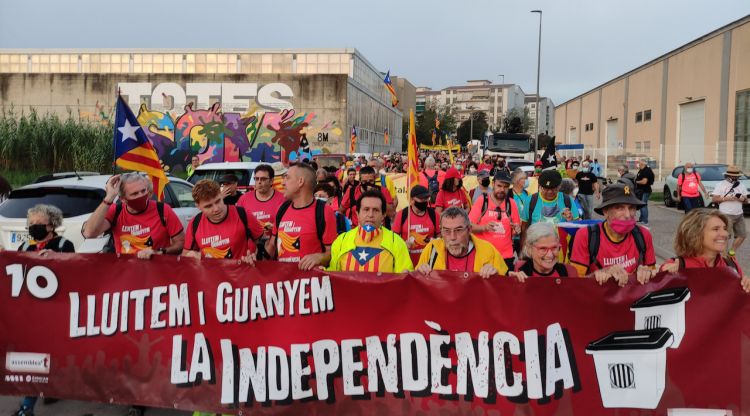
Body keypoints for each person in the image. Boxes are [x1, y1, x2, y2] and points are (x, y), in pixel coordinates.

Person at [12, 204, 73, 416]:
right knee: (37, 359)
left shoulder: (64, 245)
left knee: (50, 356)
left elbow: (77, 273)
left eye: (39, 224)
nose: (34, 228)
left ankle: (40, 393)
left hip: (56, 312)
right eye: (31, 224)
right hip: (32, 314)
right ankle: (28, 405)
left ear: (52, 225)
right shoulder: (24, 248)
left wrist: (58, 260)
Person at [569, 182, 656, 285]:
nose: (628, 215)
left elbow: (653, 277)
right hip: (599, 298)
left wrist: (647, 272)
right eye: (620, 208)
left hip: (634, 298)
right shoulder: (586, 236)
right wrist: (599, 273)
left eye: (632, 208)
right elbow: (575, 283)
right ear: (605, 211)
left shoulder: (643, 235)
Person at [82, 172, 185, 258]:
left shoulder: (162, 209)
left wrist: (159, 252)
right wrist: (109, 198)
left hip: (157, 273)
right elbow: (89, 233)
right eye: (135, 194)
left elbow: (180, 243)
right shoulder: (116, 211)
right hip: (127, 274)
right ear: (123, 199)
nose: (141, 196)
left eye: (143, 191)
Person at [660, 209, 750, 293]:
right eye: (716, 229)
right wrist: (664, 276)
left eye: (725, 229)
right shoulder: (677, 266)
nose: (725, 234)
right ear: (695, 233)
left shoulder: (731, 265)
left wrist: (746, 287)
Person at [268, 163, 338, 270]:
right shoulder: (282, 209)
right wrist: (255, 255)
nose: (282, 183)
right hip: (284, 283)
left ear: (300, 181)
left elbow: (333, 253)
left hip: (310, 284)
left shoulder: (324, 211)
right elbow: (271, 247)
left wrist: (320, 257)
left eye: (287, 177)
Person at [328, 189, 413, 272]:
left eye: (376, 210)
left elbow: (404, 278)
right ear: (357, 214)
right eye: (366, 209)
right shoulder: (341, 241)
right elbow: (331, 276)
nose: (370, 215)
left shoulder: (396, 242)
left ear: (383, 215)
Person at [182, 180, 264, 262]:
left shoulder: (242, 214)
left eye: (218, 201)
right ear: (198, 206)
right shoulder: (195, 224)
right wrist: (191, 256)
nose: (216, 209)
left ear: (221, 196)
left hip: (242, 273)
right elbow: (185, 255)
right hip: (211, 273)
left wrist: (253, 255)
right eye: (208, 206)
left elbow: (261, 242)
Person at [416, 207, 507, 278]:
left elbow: (505, 285)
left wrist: (496, 276)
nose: (452, 237)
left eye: (458, 230)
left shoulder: (488, 251)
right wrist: (419, 273)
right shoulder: (432, 249)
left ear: (469, 229)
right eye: (446, 231)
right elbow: (418, 286)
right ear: (441, 230)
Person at [469, 171, 521, 271]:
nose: (502, 189)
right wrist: (484, 227)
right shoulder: (482, 201)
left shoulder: (511, 204)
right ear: (493, 184)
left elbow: (516, 228)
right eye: (499, 186)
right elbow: (469, 226)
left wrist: (516, 229)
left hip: (505, 257)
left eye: (505, 187)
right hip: (483, 256)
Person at [237, 164, 286, 260]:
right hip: (251, 251)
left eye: (263, 179)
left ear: (271, 181)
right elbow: (237, 223)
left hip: (275, 248)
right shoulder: (244, 199)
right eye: (257, 179)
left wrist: (274, 227)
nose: (259, 182)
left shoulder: (283, 199)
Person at [509, 222, 579, 281]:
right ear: (529, 249)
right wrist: (511, 284)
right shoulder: (519, 271)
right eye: (543, 249)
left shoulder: (569, 273)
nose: (550, 255)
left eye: (554, 247)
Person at [393, 185, 440, 265]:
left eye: (426, 198)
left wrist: (436, 241)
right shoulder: (402, 214)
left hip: (428, 264)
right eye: (421, 199)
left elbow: (440, 235)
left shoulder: (434, 214)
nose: (424, 201)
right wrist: (403, 245)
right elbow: (393, 238)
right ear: (411, 200)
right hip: (408, 262)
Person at [710, 165, 747, 256]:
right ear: (728, 176)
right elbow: (714, 199)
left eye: (737, 176)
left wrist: (743, 199)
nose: (735, 178)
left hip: (739, 214)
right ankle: (723, 256)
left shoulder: (741, 185)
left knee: (742, 235)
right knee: (725, 236)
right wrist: (727, 198)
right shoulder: (720, 185)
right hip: (726, 214)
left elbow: (746, 199)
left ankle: (732, 251)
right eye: (733, 176)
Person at [634, 158, 655, 224]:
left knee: (643, 205)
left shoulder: (647, 171)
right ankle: (641, 218)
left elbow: (644, 182)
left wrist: (635, 182)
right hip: (641, 190)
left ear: (642, 163)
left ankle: (645, 220)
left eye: (639, 162)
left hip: (645, 190)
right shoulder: (641, 170)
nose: (638, 164)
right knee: (641, 205)